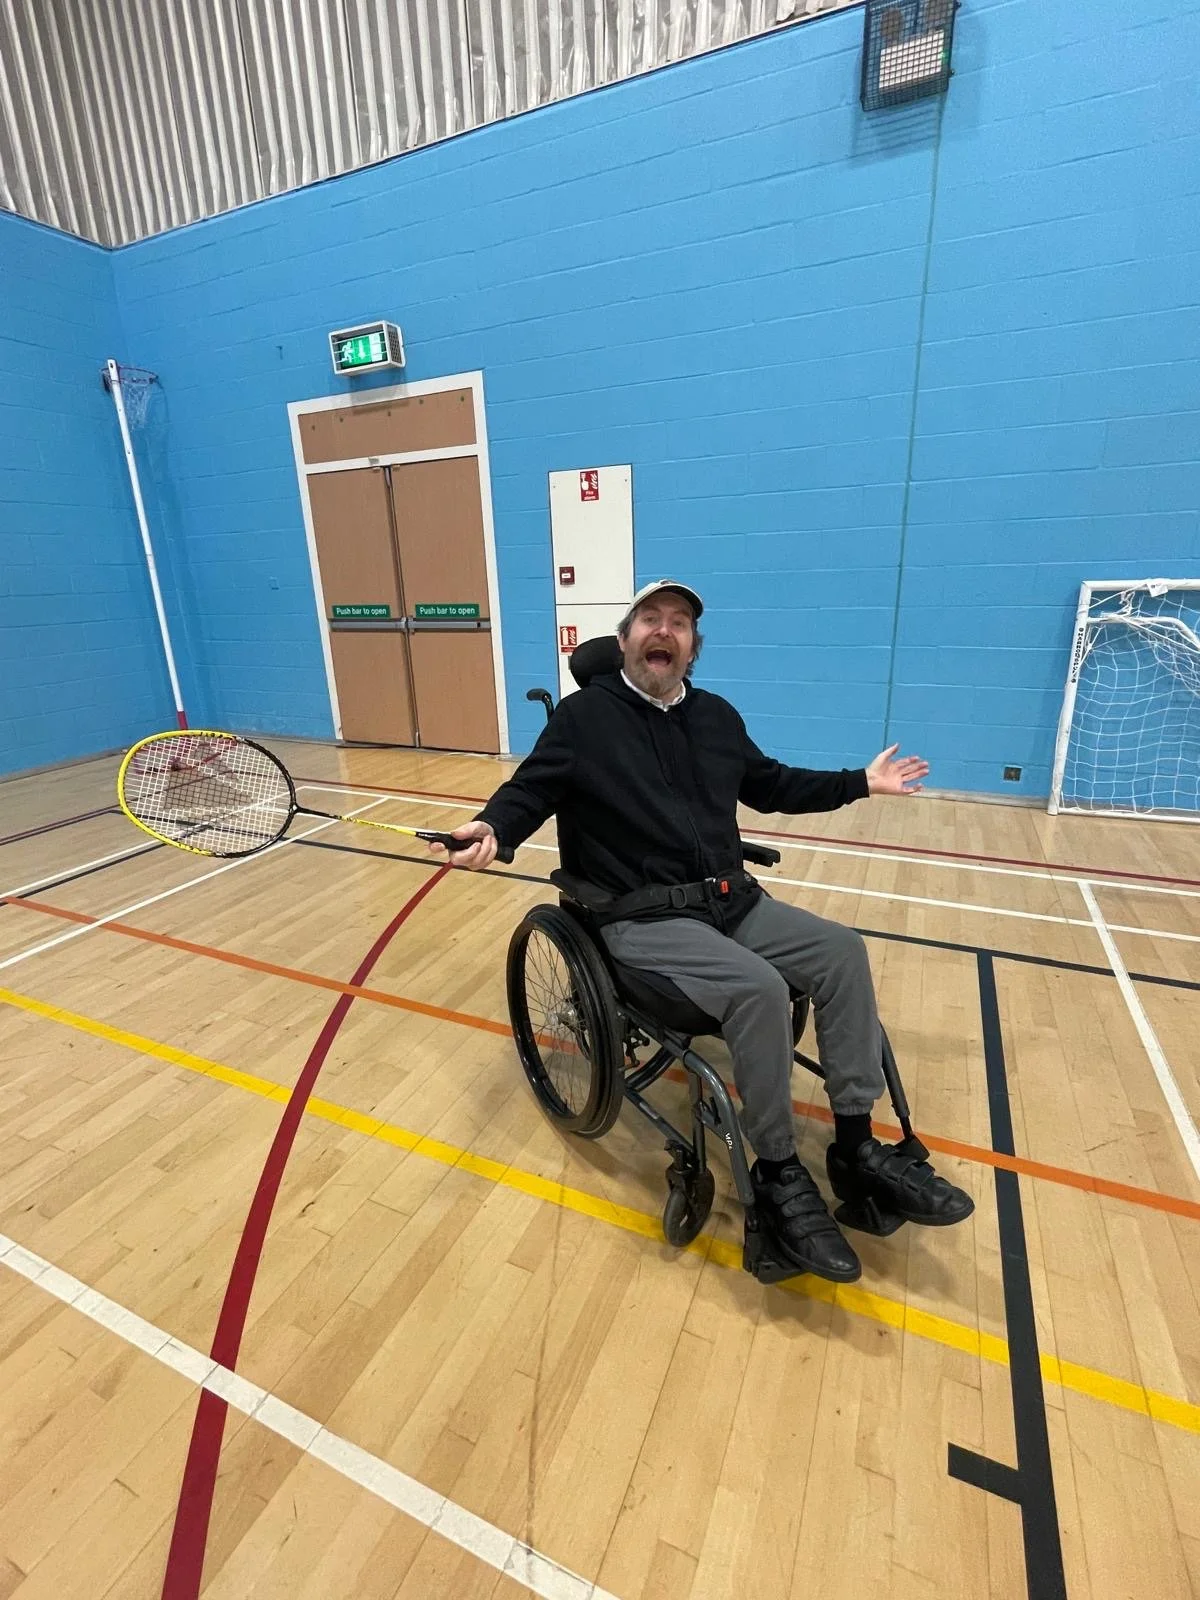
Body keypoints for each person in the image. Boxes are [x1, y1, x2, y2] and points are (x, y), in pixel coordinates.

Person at [434, 579, 973, 1282]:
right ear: (625, 641)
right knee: (756, 988)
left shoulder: (715, 716)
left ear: (694, 647)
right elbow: (529, 791)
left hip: (730, 901)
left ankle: (852, 1144)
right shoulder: (583, 720)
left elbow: (771, 784)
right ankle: (778, 1170)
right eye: (650, 619)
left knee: (842, 951)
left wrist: (859, 783)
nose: (665, 631)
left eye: (680, 623)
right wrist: (493, 829)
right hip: (639, 915)